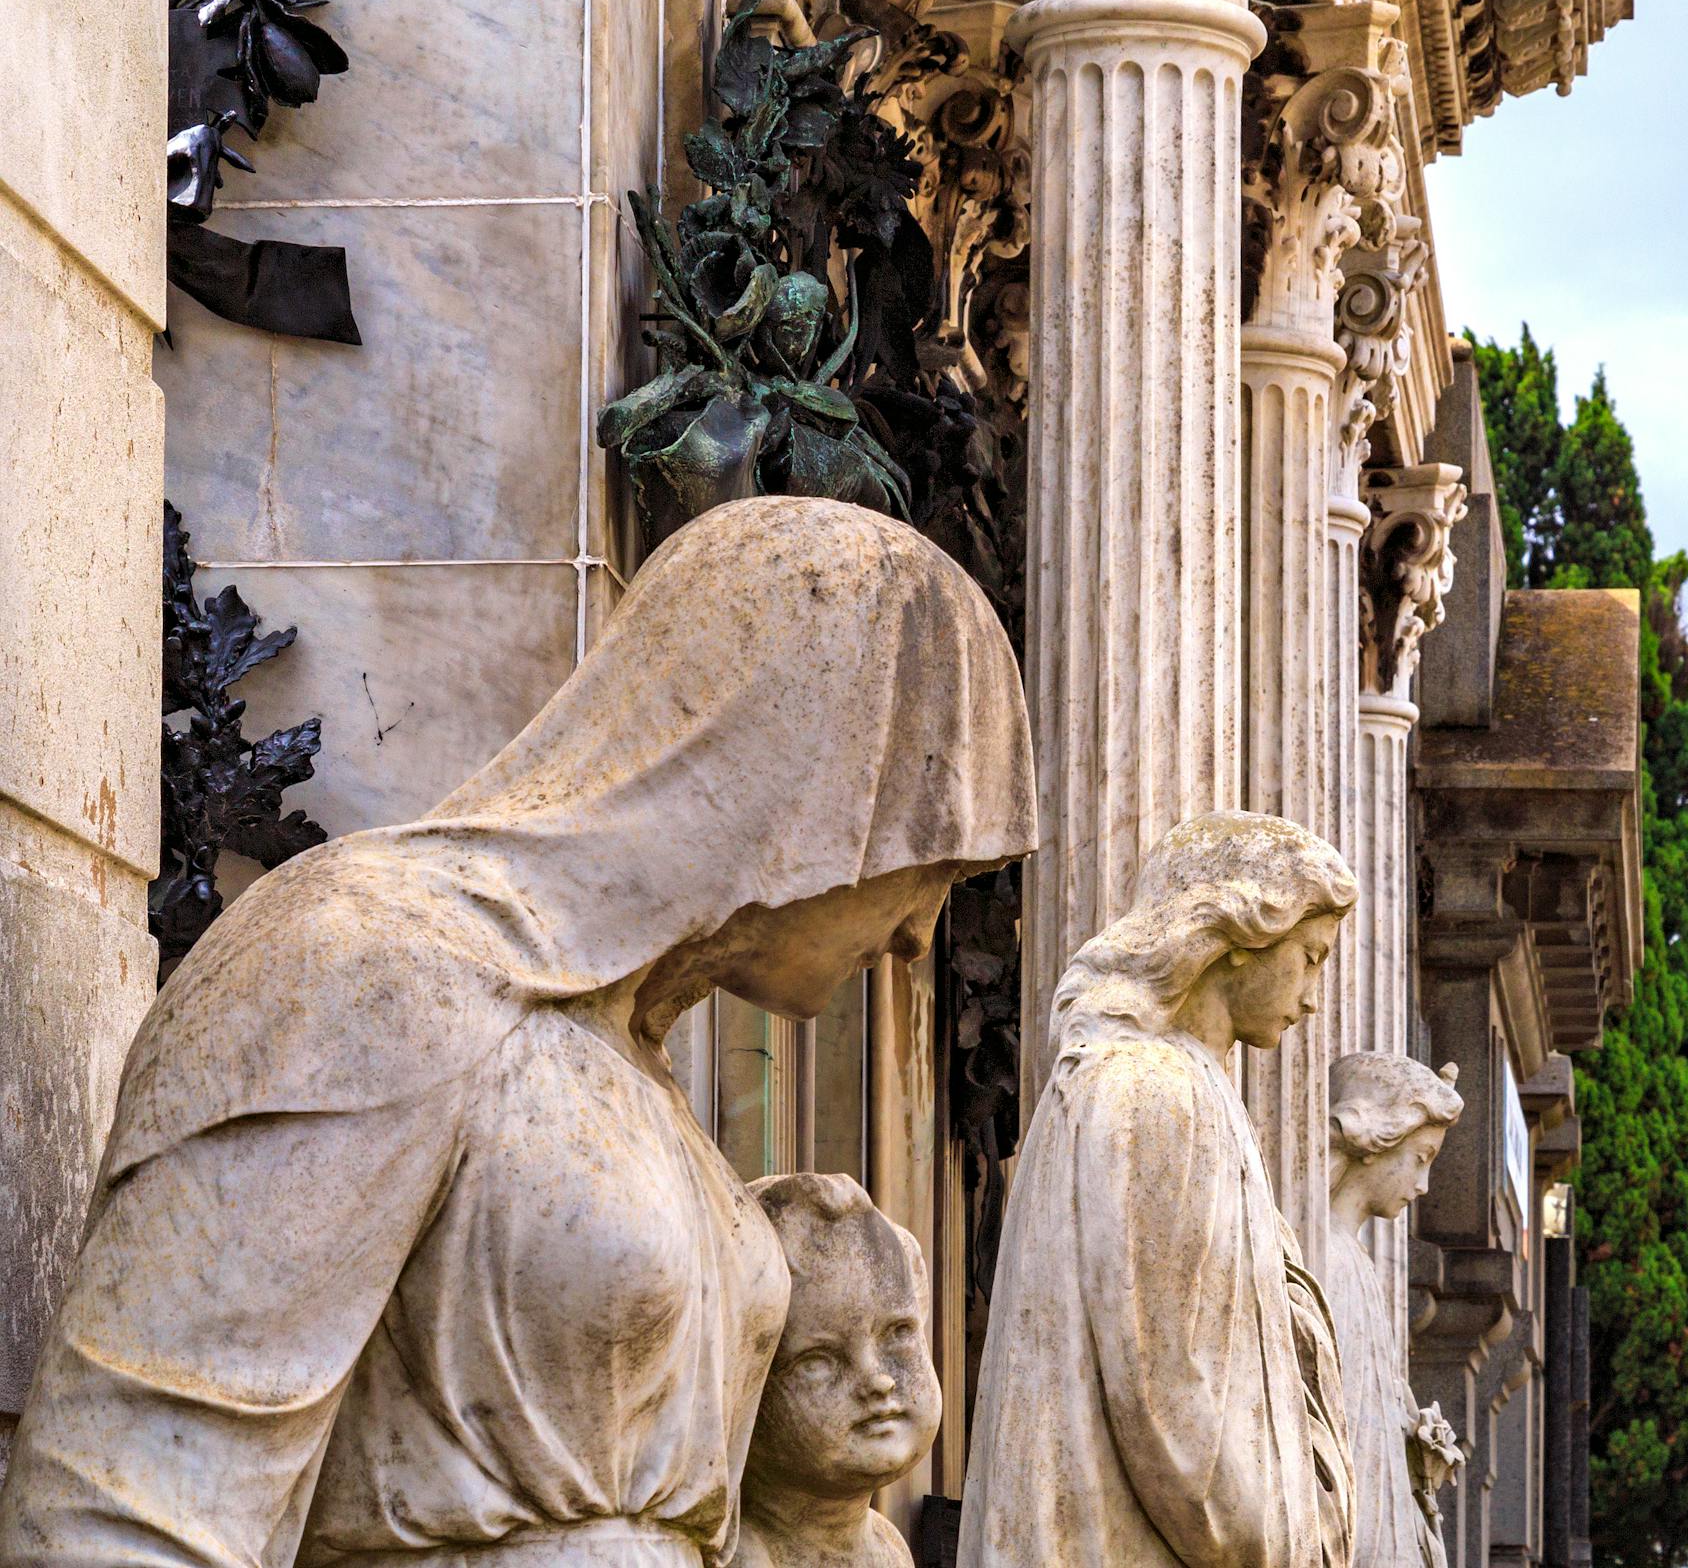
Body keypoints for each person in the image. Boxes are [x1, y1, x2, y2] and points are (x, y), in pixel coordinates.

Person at [0, 497, 1035, 1568]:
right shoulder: (379, 960)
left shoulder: (640, 1079)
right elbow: (128, 1505)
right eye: (928, 861)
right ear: (804, 779)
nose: (921, 932)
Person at [956, 812, 1359, 1568]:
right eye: (1310, 958)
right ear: (1243, 937)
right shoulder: (1155, 1092)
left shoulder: (1175, 1084)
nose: (1312, 997)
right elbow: (1170, 1397)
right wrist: (1282, 1541)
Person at [735, 1175, 942, 1568]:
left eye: (897, 1334)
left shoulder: (887, 1545)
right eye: (818, 1360)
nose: (876, 1380)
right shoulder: (746, 1556)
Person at [1323, 1053, 1465, 1568]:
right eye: (1421, 1157)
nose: (1423, 1186)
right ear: (1374, 1141)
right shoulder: (1327, 1260)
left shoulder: (1353, 1261)